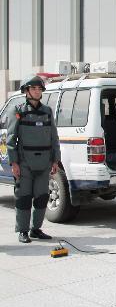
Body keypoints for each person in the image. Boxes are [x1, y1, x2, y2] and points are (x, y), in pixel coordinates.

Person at [7, 76, 61, 243]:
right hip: (25, 163)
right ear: (26, 91)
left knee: (42, 197)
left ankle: (35, 229)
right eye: (34, 88)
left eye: (39, 89)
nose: (37, 91)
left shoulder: (47, 111)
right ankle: (22, 230)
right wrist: (14, 162)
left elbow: (54, 137)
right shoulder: (17, 110)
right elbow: (11, 139)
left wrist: (55, 160)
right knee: (23, 197)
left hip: (44, 162)